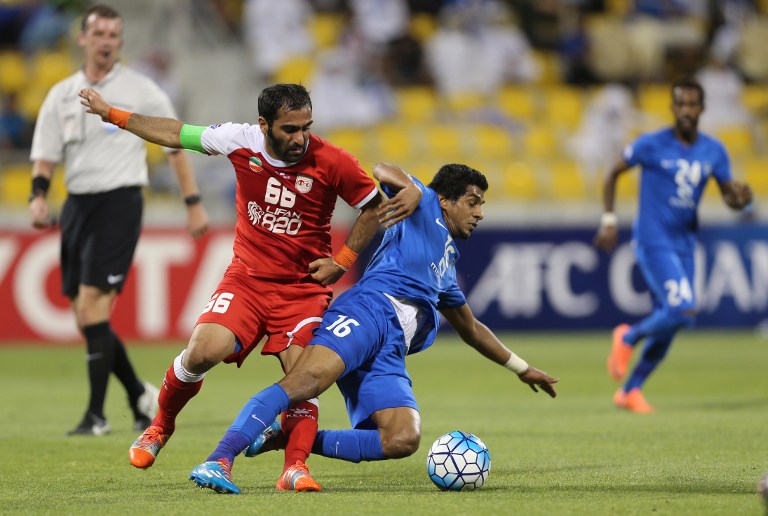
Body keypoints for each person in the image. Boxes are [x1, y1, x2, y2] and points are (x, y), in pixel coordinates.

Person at [78, 84, 421, 490]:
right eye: (290, 129)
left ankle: (295, 467)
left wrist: (343, 260)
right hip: (247, 280)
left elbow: (373, 207)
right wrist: (113, 114)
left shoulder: (333, 161)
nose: (300, 138)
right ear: (263, 125)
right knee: (202, 352)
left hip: (302, 289)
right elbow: (175, 132)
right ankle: (160, 426)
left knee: (303, 376)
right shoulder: (239, 140)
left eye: (306, 127)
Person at [187, 162, 560, 494]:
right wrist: (412, 188)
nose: (479, 213)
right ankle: (219, 459)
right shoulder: (424, 202)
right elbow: (383, 170)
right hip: (369, 311)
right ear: (446, 200)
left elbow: (472, 329)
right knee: (305, 381)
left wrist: (521, 368)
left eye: (482, 205)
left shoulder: (446, 265)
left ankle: (282, 437)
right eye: (473, 202)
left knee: (402, 438)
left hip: (390, 349)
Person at [28, 5, 210, 437]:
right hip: (77, 205)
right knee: (84, 315)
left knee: (93, 304)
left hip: (120, 201)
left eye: (113, 34)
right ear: (83, 39)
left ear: (121, 42)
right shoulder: (61, 94)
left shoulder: (141, 89)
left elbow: (175, 144)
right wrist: (37, 196)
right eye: (99, 33)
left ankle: (96, 415)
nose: (106, 41)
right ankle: (138, 395)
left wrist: (192, 202)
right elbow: (46, 153)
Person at [593, 77, 753, 414]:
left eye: (692, 104)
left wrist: (740, 200)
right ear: (672, 107)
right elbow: (612, 173)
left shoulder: (714, 150)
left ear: (702, 108)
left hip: (685, 244)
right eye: (680, 104)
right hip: (653, 240)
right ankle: (627, 337)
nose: (686, 110)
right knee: (682, 309)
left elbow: (729, 197)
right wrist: (608, 220)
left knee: (676, 319)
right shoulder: (651, 144)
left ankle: (630, 390)